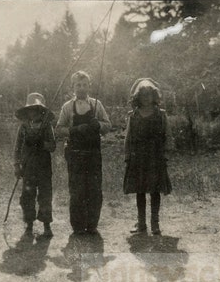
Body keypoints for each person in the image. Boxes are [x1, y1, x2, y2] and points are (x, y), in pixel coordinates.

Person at [56, 70, 111, 234]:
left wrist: (99, 125)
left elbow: (108, 125)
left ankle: (92, 225)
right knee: (77, 190)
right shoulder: (67, 107)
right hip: (75, 154)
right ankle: (78, 227)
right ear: (73, 87)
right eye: (78, 85)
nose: (81, 88)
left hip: (93, 153)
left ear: (89, 86)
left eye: (84, 85)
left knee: (94, 190)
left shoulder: (96, 104)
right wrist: (74, 130)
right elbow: (59, 129)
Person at [123, 78, 173, 235]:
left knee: (155, 190)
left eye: (149, 95)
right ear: (137, 97)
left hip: (155, 157)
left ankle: (155, 223)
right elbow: (128, 136)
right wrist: (127, 153)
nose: (146, 98)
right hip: (138, 157)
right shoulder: (134, 116)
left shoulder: (161, 115)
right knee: (140, 190)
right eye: (143, 95)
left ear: (154, 96)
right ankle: (141, 222)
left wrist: (166, 151)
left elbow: (168, 135)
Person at [14, 92, 56, 238]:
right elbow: (17, 148)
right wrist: (16, 165)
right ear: (27, 112)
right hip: (28, 167)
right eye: (31, 110)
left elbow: (53, 146)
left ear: (42, 111)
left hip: (44, 167)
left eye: (38, 110)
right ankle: (29, 225)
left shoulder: (47, 127)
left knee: (45, 195)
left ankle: (46, 225)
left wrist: (42, 143)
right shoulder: (23, 128)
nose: (34, 113)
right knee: (27, 195)